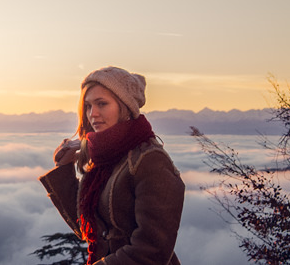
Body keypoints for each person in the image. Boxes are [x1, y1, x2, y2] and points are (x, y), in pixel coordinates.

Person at [40, 67, 184, 265]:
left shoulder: (150, 160)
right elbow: (90, 228)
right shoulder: (103, 160)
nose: (93, 114)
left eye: (102, 104)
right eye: (88, 106)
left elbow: (152, 251)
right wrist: (63, 168)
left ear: (125, 107)